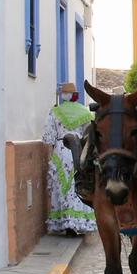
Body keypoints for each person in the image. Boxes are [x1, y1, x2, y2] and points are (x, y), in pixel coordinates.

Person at [44, 83, 96, 236]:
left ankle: (65, 222)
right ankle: (77, 221)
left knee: (62, 186)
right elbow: (89, 134)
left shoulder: (55, 112)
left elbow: (49, 137)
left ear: (63, 95)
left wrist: (48, 158)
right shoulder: (85, 112)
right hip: (79, 150)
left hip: (61, 150)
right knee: (78, 184)